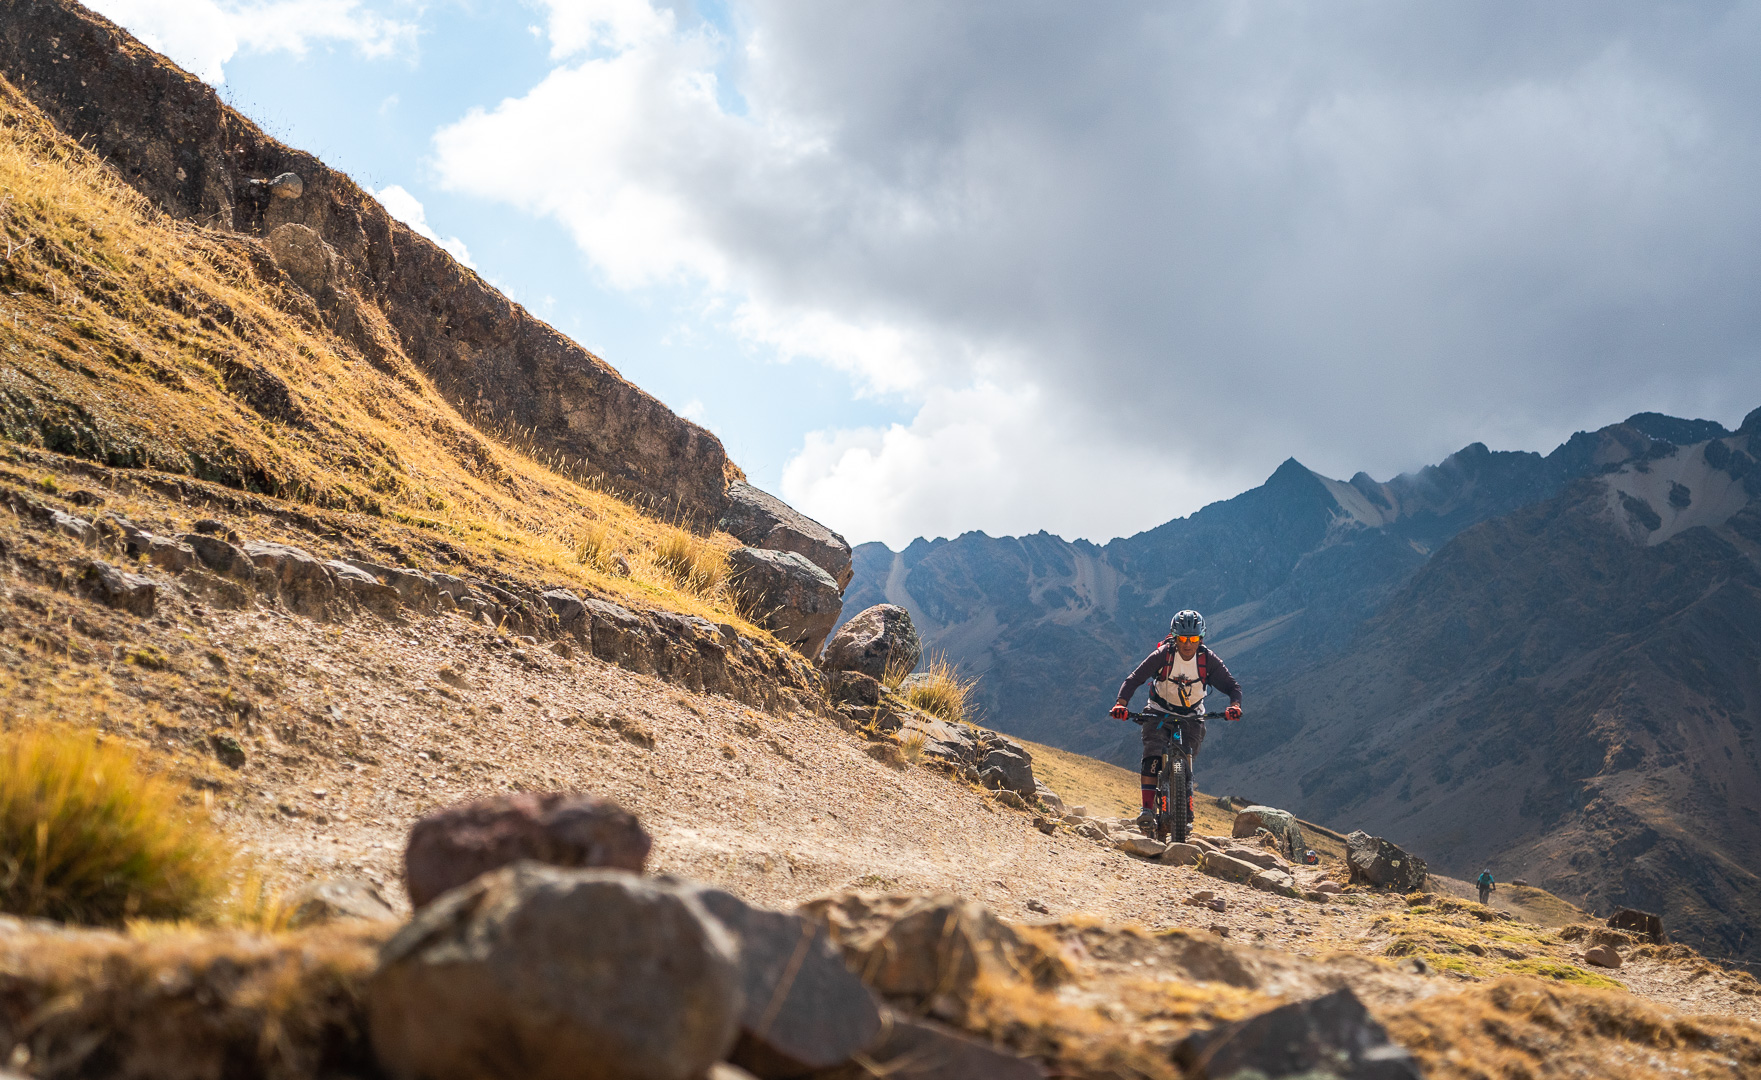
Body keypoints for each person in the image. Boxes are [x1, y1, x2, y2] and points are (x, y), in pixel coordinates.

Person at [1109, 609, 1243, 836]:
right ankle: (1147, 810)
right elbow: (1135, 679)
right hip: (1159, 711)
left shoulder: (1207, 660)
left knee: (1187, 757)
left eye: (1193, 639)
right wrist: (1121, 703)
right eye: (1182, 638)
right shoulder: (1163, 655)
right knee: (1152, 753)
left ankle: (1185, 809)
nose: (1188, 644)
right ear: (1174, 636)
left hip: (1192, 715)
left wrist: (1235, 706)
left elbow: (1232, 687)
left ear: (1201, 638)